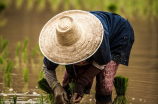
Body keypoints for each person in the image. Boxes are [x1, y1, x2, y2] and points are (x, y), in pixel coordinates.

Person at [39, 10, 134, 104]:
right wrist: (56, 87)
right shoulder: (55, 44)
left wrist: (82, 83)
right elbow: (47, 68)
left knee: (104, 84)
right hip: (93, 33)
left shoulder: (97, 36)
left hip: (117, 35)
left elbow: (102, 62)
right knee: (70, 83)